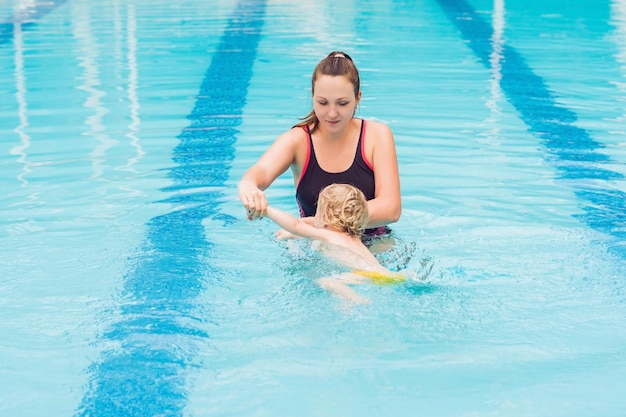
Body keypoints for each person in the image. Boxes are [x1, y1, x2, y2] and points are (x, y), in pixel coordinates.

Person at [239, 51, 401, 235]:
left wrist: (316, 224)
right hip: (314, 250)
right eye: (323, 102)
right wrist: (248, 185)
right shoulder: (298, 140)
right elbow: (261, 171)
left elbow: (391, 208)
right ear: (313, 96)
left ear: (358, 98)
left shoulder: (376, 136)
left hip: (376, 245)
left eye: (342, 103)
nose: (332, 113)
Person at [264, 183, 407, 304]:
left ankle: (355, 301)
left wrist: (266, 210)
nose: (315, 217)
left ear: (326, 218)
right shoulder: (354, 238)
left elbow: (295, 226)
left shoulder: (330, 236)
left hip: (368, 275)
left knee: (327, 281)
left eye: (318, 211)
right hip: (388, 276)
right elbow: (299, 230)